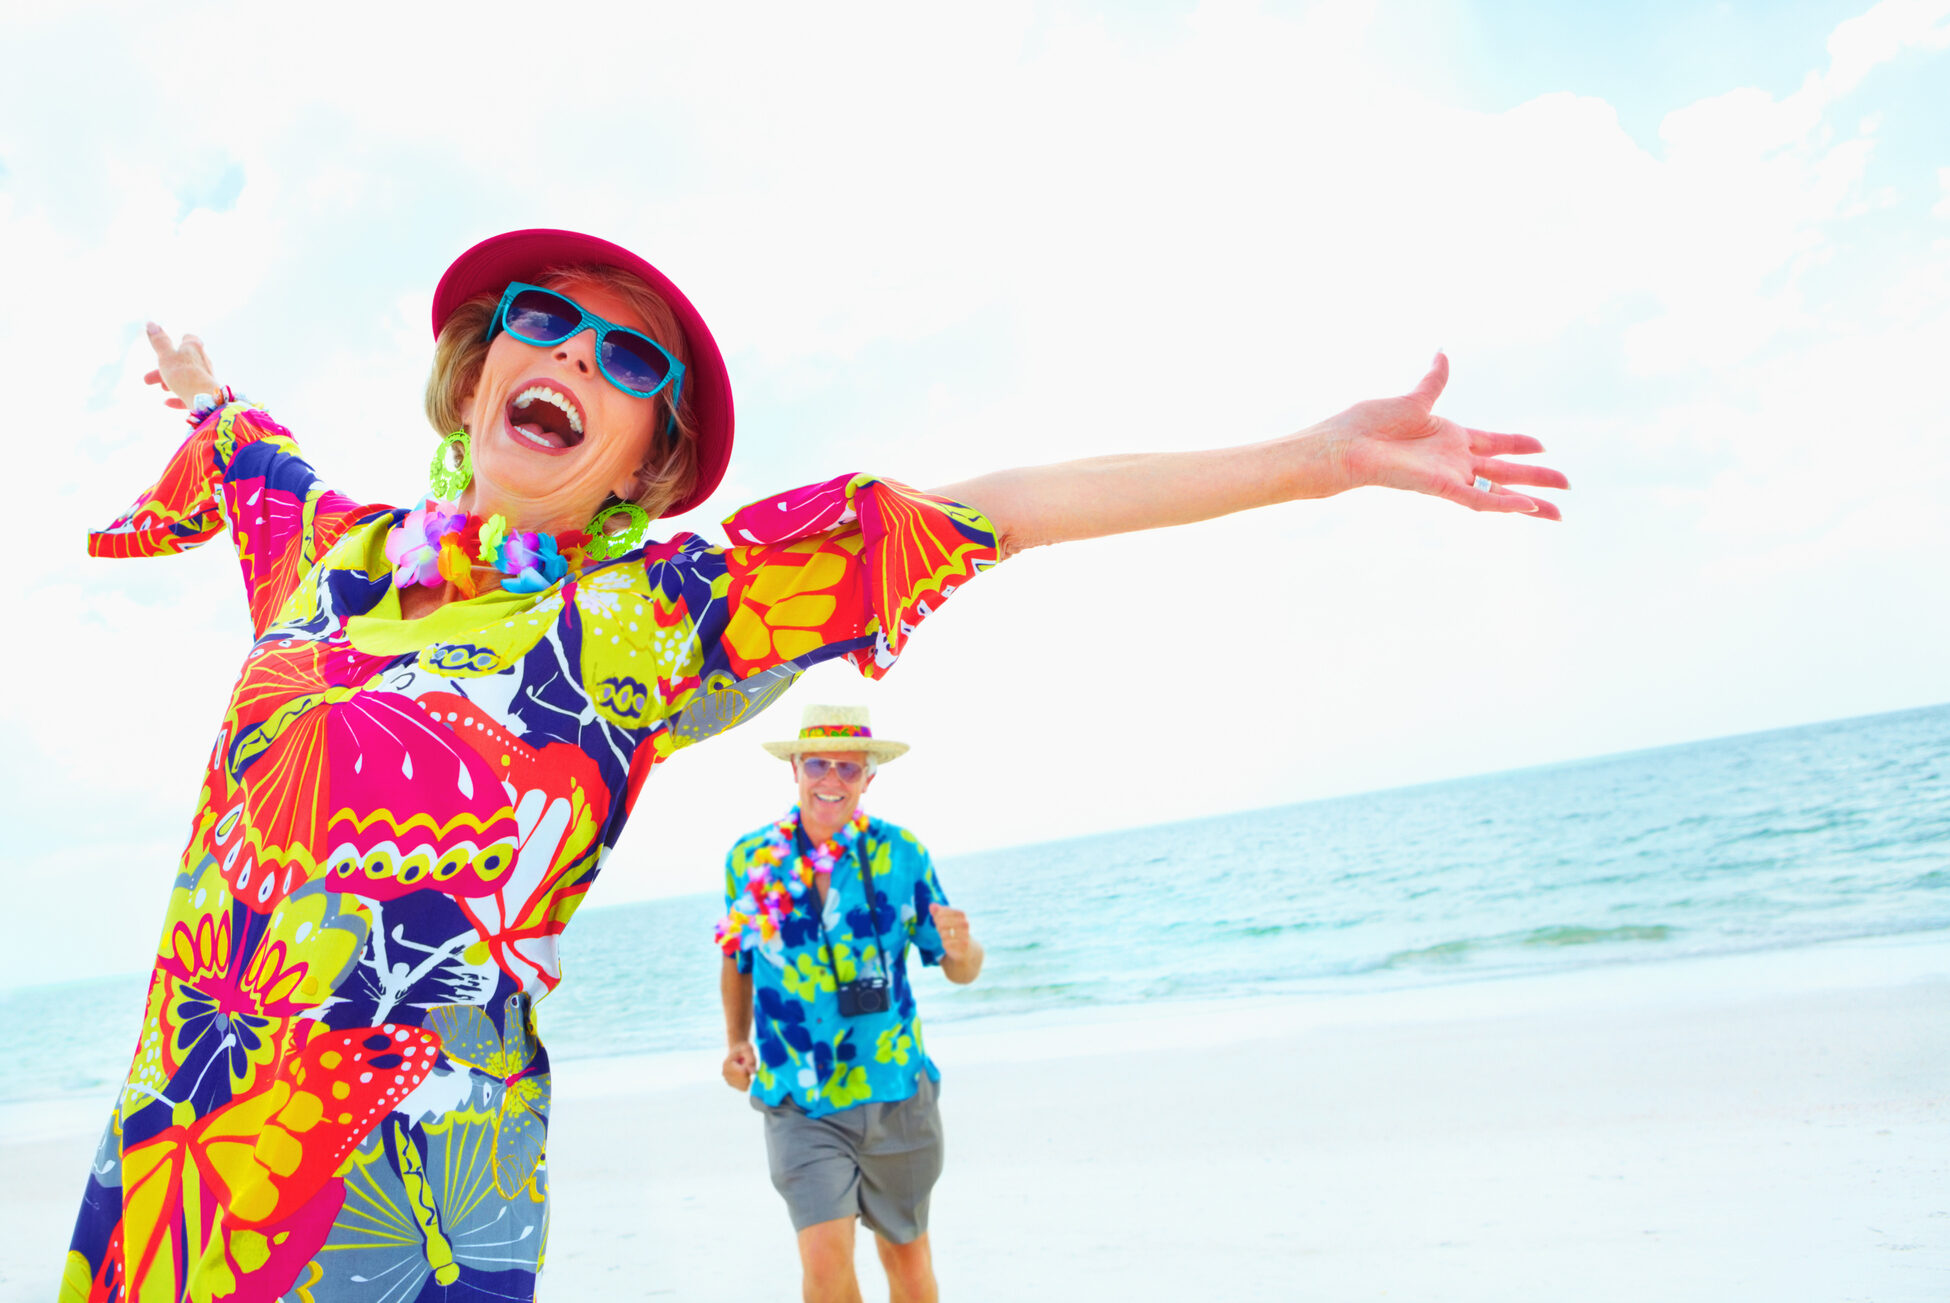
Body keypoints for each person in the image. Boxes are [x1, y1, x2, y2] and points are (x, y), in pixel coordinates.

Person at [63, 225, 1565, 1302]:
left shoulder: (644, 618)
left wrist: (1309, 460)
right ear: (472, 377)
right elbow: (241, 437)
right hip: (180, 1132)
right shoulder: (321, 555)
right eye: (540, 318)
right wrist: (202, 392)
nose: (571, 352)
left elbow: (991, 507)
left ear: (646, 457)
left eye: (626, 356)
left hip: (409, 1171)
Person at [719, 704, 978, 1303]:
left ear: (869, 779)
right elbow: (736, 957)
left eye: (848, 769)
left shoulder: (902, 854)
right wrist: (737, 1041)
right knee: (823, 1265)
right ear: (795, 768)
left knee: (908, 1262)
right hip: (798, 1097)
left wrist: (967, 950)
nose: (831, 780)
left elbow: (958, 967)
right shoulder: (749, 859)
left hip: (895, 1091)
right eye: (818, 764)